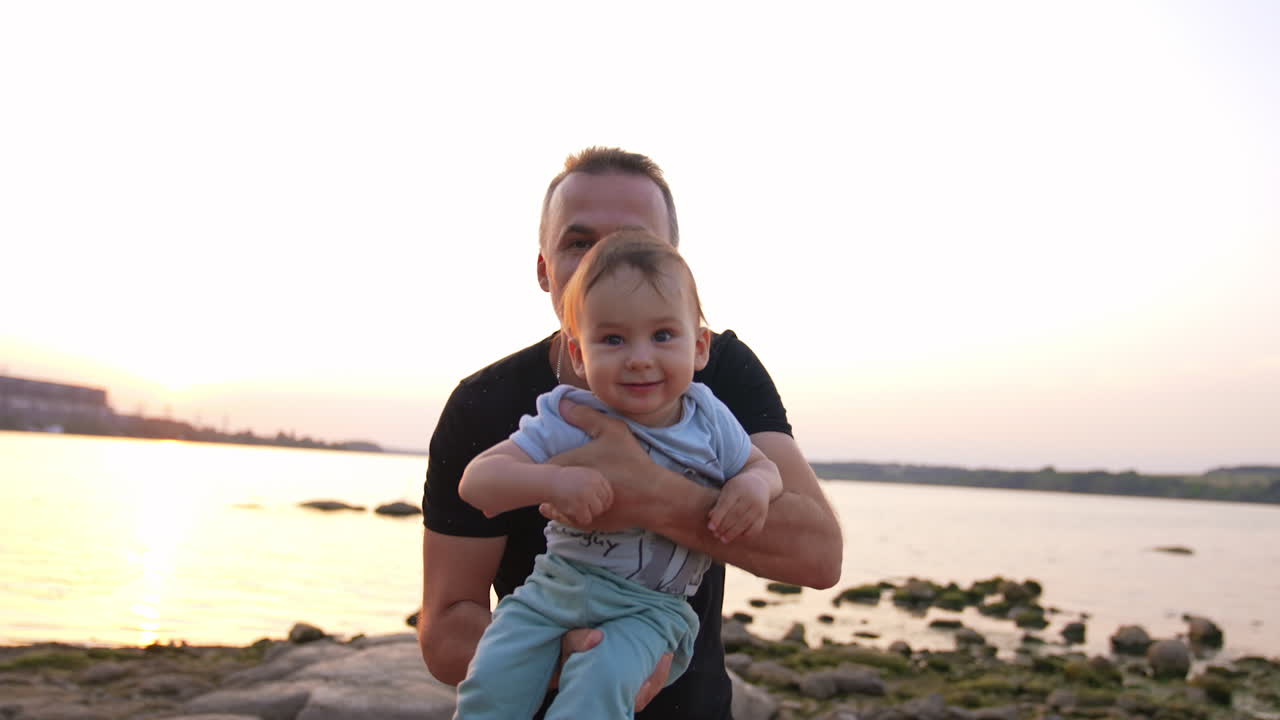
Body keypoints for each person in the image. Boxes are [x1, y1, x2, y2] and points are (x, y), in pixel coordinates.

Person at [420, 147, 843, 719]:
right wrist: (565, 661)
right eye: (578, 242)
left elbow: (819, 558)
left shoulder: (717, 377)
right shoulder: (485, 404)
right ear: (544, 268)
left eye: (632, 242)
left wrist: (650, 494)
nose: (608, 261)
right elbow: (445, 630)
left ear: (672, 266)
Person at [452, 231, 784, 719]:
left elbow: (763, 466)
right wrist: (553, 482)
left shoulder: (708, 418)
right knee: (490, 682)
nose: (639, 357)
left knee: (598, 690)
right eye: (612, 339)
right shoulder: (568, 417)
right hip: (552, 592)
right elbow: (477, 483)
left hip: (648, 609)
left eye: (663, 335)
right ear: (580, 355)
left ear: (699, 347)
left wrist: (754, 485)